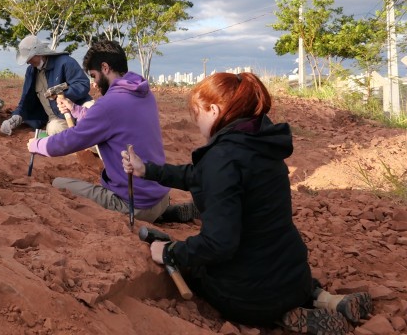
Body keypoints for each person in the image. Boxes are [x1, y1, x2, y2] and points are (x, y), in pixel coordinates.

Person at [122, 72, 373, 334]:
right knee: (266, 249)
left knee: (195, 270)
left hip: (251, 295)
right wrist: (147, 170)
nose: (196, 123)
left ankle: (283, 317)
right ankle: (324, 299)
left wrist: (170, 252)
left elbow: (218, 244)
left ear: (214, 110)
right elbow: (201, 176)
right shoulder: (260, 144)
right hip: (295, 276)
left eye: (197, 114)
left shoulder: (223, 158)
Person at [26, 39, 196, 223]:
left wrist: (37, 145)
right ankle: (166, 213)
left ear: (105, 68)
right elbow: (108, 119)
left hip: (135, 204)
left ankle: (150, 216)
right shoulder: (143, 92)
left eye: (94, 75)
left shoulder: (109, 105)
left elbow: (71, 139)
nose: (94, 83)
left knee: (58, 184)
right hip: (161, 195)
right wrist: (75, 109)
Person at [0, 35, 92, 136]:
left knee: (92, 112)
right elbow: (25, 101)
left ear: (39, 53)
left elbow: (83, 84)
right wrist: (16, 117)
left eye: (29, 58)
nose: (27, 62)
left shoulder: (65, 62)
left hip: (80, 108)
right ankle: (79, 142)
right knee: (53, 129)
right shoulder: (31, 72)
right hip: (59, 118)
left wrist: (63, 94)